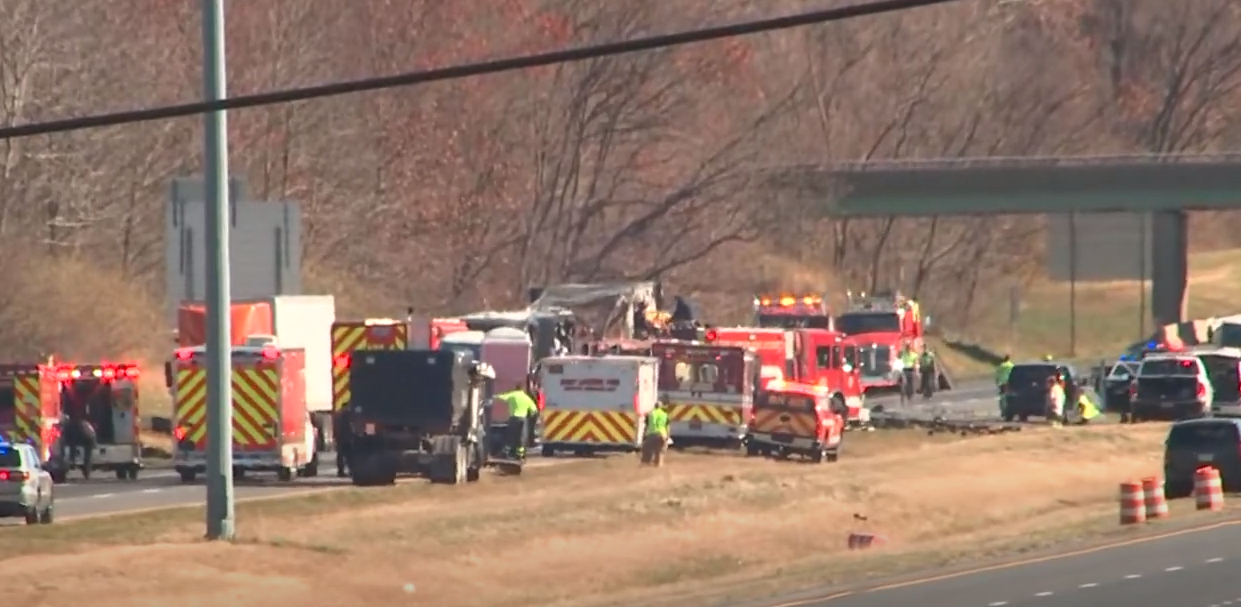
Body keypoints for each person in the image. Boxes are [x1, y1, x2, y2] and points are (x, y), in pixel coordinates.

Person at [497, 384, 538, 459]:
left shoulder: (513, 395)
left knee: (510, 436)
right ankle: (519, 455)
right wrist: (531, 416)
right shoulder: (526, 398)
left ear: (516, 388)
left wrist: (493, 396)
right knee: (521, 437)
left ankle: (505, 453)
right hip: (523, 419)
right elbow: (534, 409)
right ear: (523, 390)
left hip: (514, 418)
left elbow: (502, 397)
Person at [60, 412, 97, 479]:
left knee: (86, 455)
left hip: (88, 438)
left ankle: (85, 471)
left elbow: (73, 438)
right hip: (89, 436)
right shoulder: (79, 423)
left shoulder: (73, 426)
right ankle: (86, 472)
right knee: (87, 456)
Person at [641, 402, 670, 467]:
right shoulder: (664, 414)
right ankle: (659, 467)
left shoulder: (650, 414)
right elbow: (667, 427)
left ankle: (646, 467)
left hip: (652, 435)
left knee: (647, 453)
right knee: (660, 454)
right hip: (662, 435)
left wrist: (643, 436)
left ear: (654, 406)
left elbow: (646, 426)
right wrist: (667, 437)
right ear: (661, 407)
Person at [333, 406, 354, 477]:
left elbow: (336, 427)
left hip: (341, 438)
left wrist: (336, 436)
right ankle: (350, 470)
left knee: (341, 455)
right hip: (347, 437)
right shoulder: (349, 415)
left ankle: (341, 471)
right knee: (349, 455)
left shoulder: (338, 415)